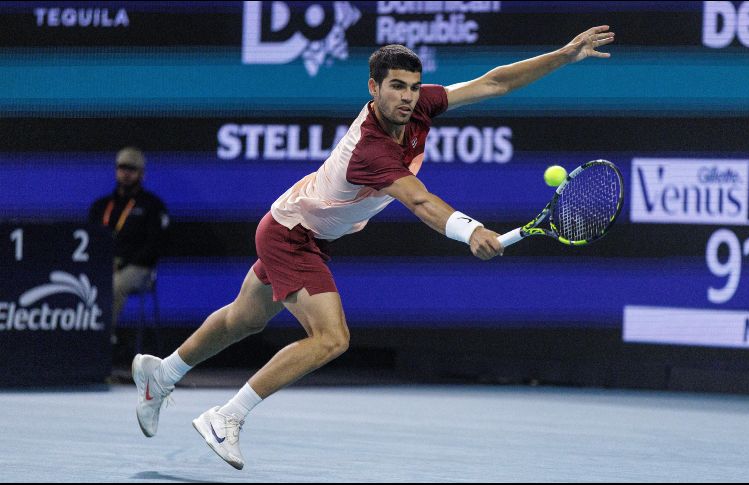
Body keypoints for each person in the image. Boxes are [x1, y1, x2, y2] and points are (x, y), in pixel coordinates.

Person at [131, 26, 614, 470]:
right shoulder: (371, 150)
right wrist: (471, 231)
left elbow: (494, 83)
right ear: (373, 88)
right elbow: (420, 201)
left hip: (298, 224)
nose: (406, 97)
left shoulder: (419, 106)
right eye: (395, 87)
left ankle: (162, 373)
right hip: (292, 234)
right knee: (332, 338)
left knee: (244, 319)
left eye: (412, 86)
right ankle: (227, 416)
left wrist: (564, 55)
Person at [89, 147, 169, 341]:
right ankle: (79, 340)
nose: (126, 173)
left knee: (114, 285)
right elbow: (90, 240)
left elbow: (155, 246)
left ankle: (102, 341)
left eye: (131, 169)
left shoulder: (152, 206)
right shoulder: (101, 206)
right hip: (104, 266)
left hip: (138, 268)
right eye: (122, 167)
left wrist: (122, 264)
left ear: (141, 173)